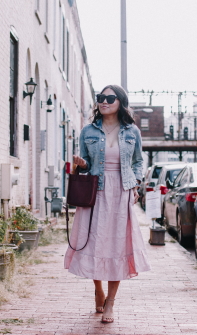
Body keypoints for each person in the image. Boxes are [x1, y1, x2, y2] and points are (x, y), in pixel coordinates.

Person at [64, 84, 151, 323]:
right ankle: (98, 289)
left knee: (117, 247)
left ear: (120, 102)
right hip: (96, 192)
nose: (104, 101)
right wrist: (81, 165)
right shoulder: (87, 132)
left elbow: (137, 162)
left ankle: (110, 302)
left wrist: (135, 184)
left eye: (109, 98)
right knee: (92, 243)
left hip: (121, 192)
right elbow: (87, 166)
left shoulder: (132, 131)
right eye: (100, 98)